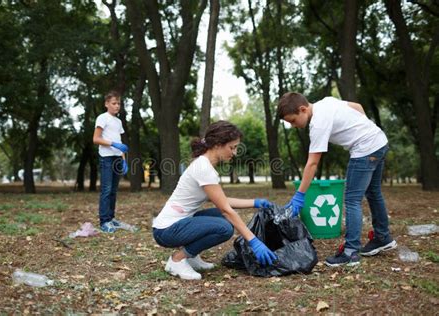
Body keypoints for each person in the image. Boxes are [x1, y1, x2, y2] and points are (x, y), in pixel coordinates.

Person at [278, 92, 397, 267]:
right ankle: (383, 237)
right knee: (373, 192)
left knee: (352, 200)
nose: (294, 126)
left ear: (302, 109)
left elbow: (312, 163)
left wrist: (299, 195)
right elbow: (357, 107)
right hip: (379, 141)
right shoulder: (326, 102)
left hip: (365, 148)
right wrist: (362, 128)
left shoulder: (317, 124)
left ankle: (350, 252)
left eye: (293, 121)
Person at [152, 121, 277, 280]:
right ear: (218, 145)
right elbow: (226, 210)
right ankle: (177, 259)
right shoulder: (203, 168)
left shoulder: (204, 165)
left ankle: (191, 256)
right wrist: (253, 241)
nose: (235, 152)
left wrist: (255, 202)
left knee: (220, 216)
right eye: (232, 147)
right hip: (166, 230)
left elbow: (221, 201)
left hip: (178, 223)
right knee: (224, 227)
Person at [93, 90, 130, 233]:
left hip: (117, 158)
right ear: (106, 104)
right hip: (107, 158)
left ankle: (111, 218)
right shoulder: (102, 118)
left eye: (119, 103)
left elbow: (120, 142)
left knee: (114, 190)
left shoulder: (118, 121)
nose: (117, 106)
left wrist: (124, 160)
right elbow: (96, 139)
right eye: (114, 103)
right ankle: (104, 221)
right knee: (106, 190)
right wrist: (112, 144)